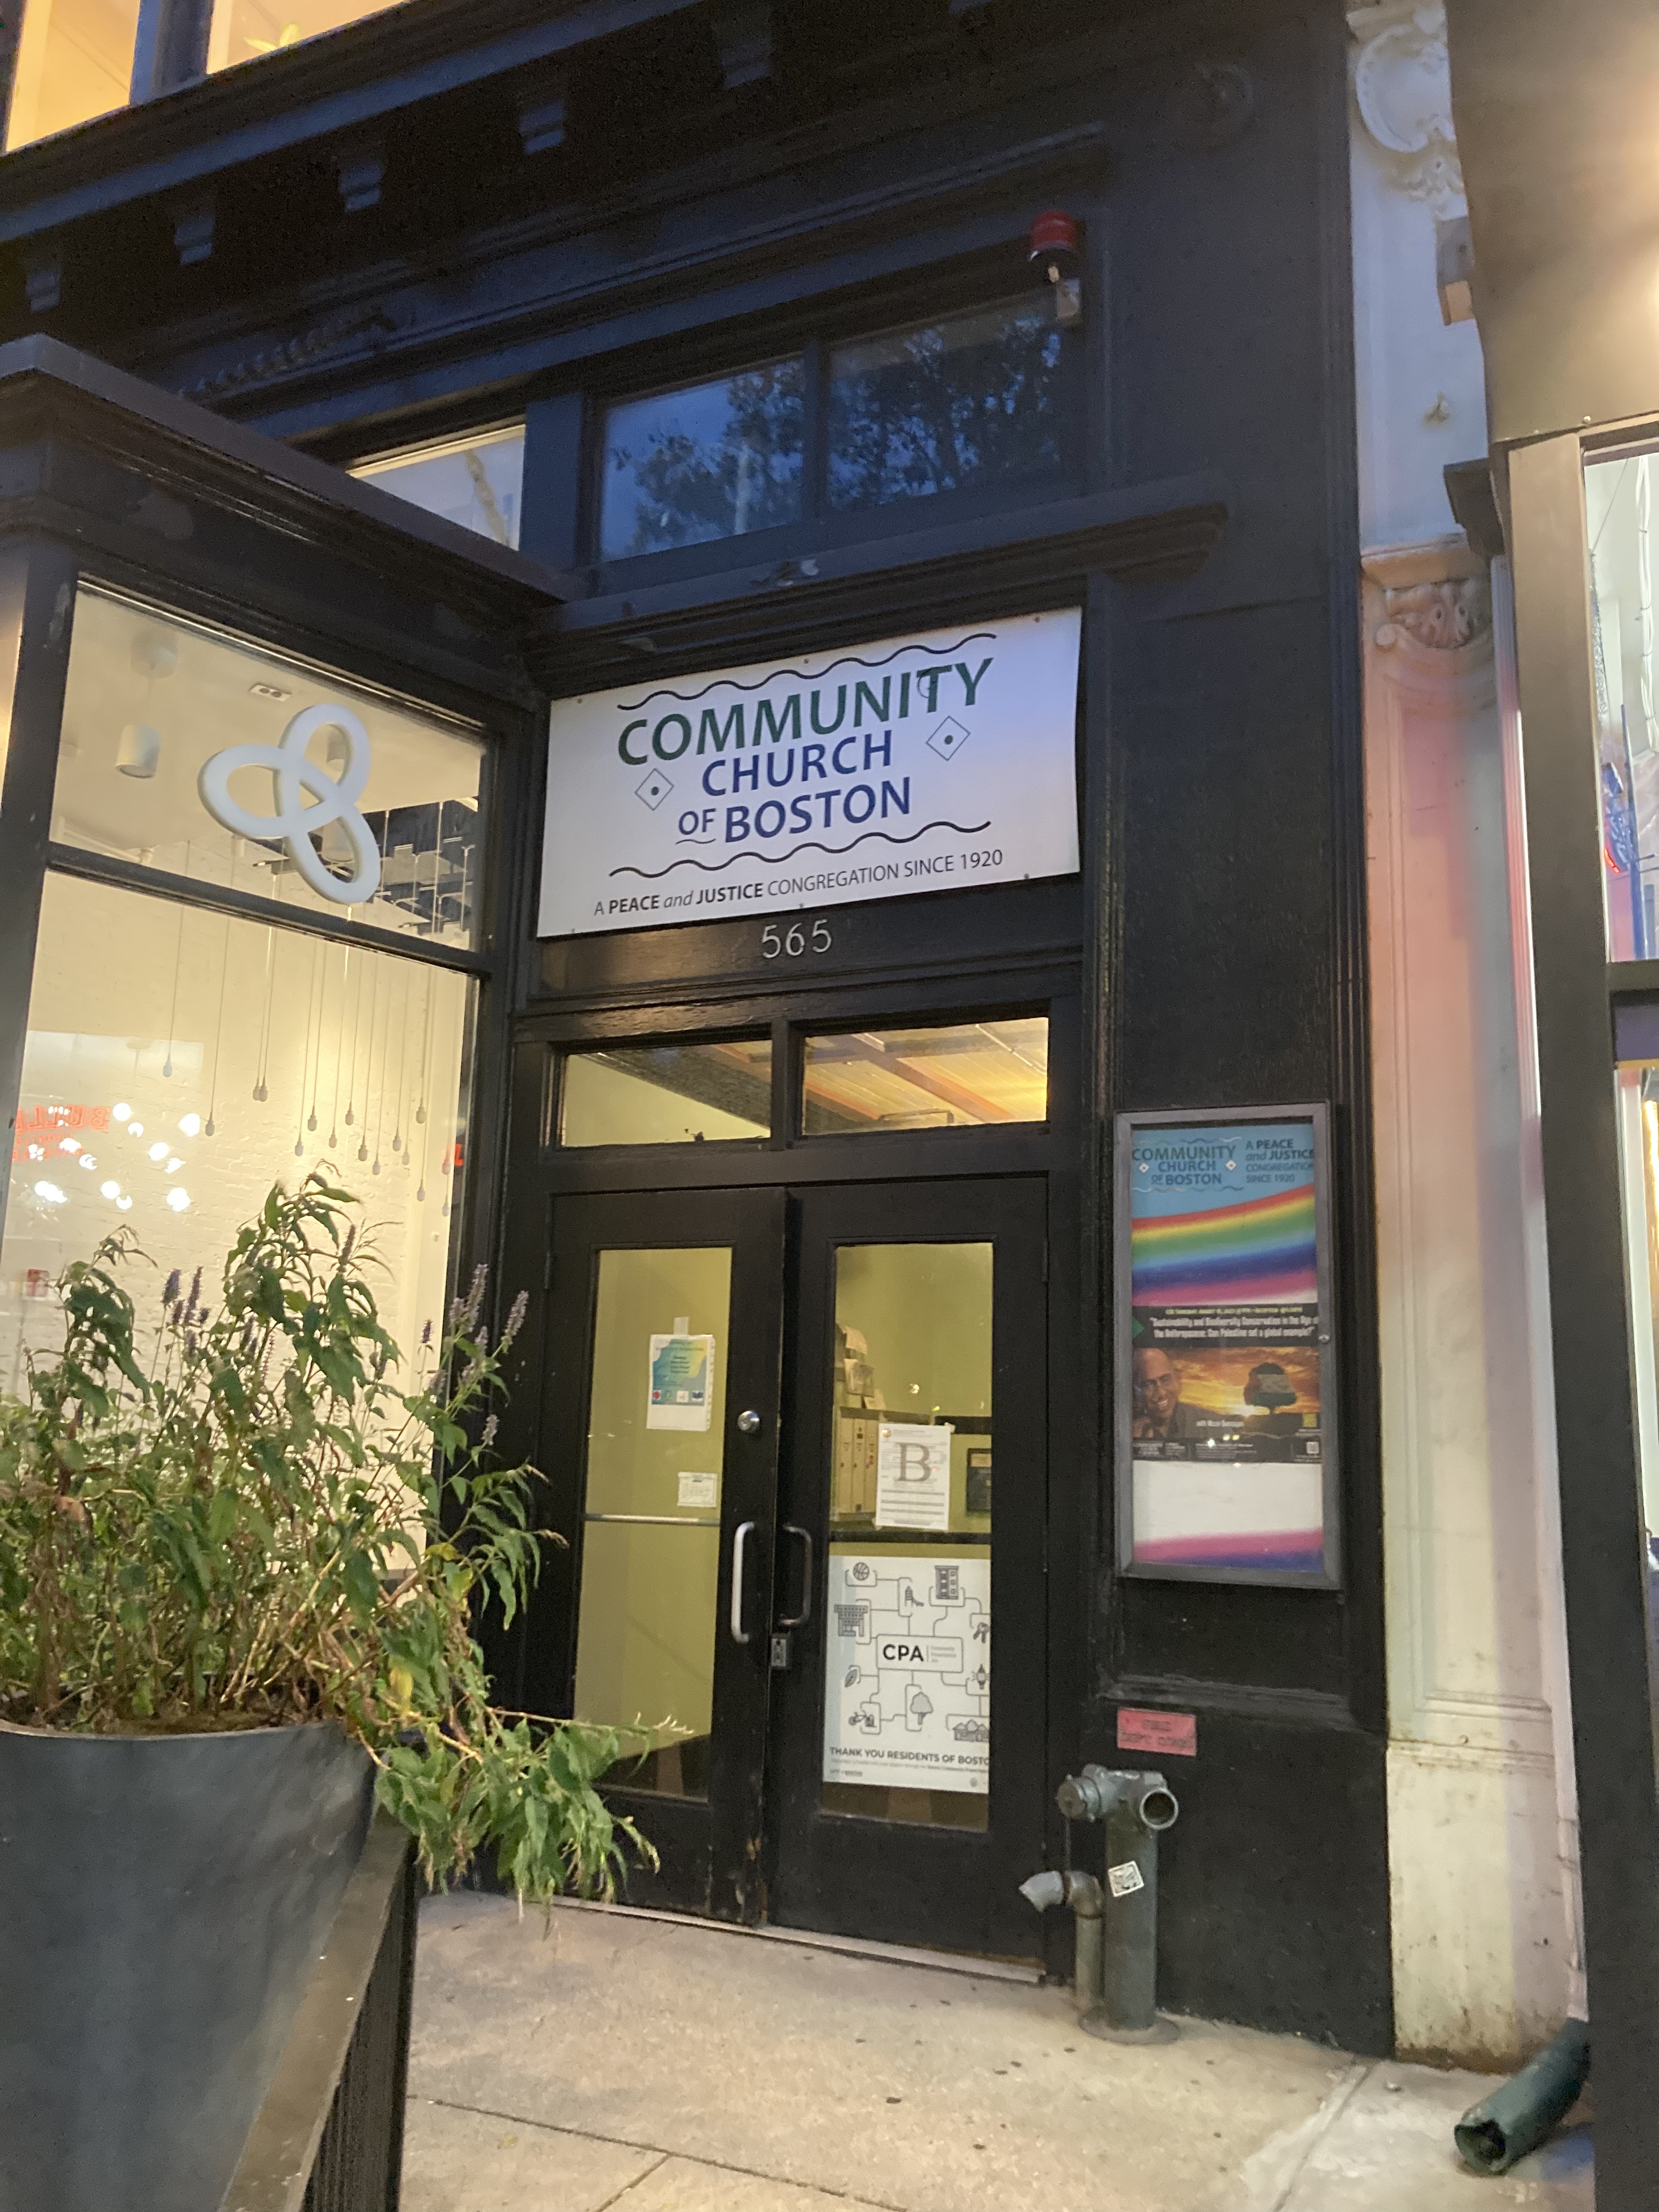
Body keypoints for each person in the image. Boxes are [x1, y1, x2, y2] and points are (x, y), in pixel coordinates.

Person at [1131, 1346, 1201, 1441]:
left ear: (1178, 1379)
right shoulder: (1128, 1428)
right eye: (1148, 1385)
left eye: (1166, 1380)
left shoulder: (1212, 1425)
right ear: (1135, 1389)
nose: (1161, 1393)